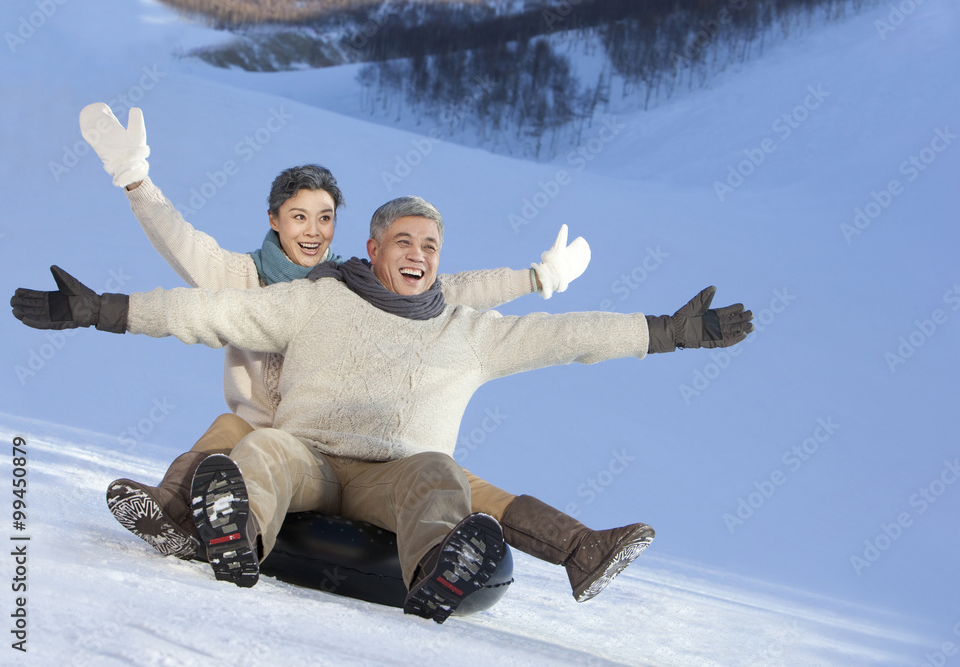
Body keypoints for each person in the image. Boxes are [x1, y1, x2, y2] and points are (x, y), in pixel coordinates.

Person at [11, 195, 753, 622]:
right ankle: (234, 533)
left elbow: (571, 335)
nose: (419, 253)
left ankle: (441, 568)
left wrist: (667, 332)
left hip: (391, 479)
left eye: (431, 243)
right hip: (308, 457)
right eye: (405, 240)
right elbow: (208, 311)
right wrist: (101, 308)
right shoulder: (316, 300)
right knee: (260, 450)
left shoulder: (470, 331)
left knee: (437, 471)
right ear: (374, 247)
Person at [75, 103, 653, 605]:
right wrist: (135, 180)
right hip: (277, 441)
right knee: (236, 430)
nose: (313, 230)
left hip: (366, 445)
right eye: (298, 216)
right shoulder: (243, 278)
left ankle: (578, 547)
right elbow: (184, 255)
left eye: (324, 218)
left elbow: (448, 292)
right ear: (274, 220)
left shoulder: (348, 285)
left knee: (448, 478)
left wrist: (534, 278)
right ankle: (181, 515)